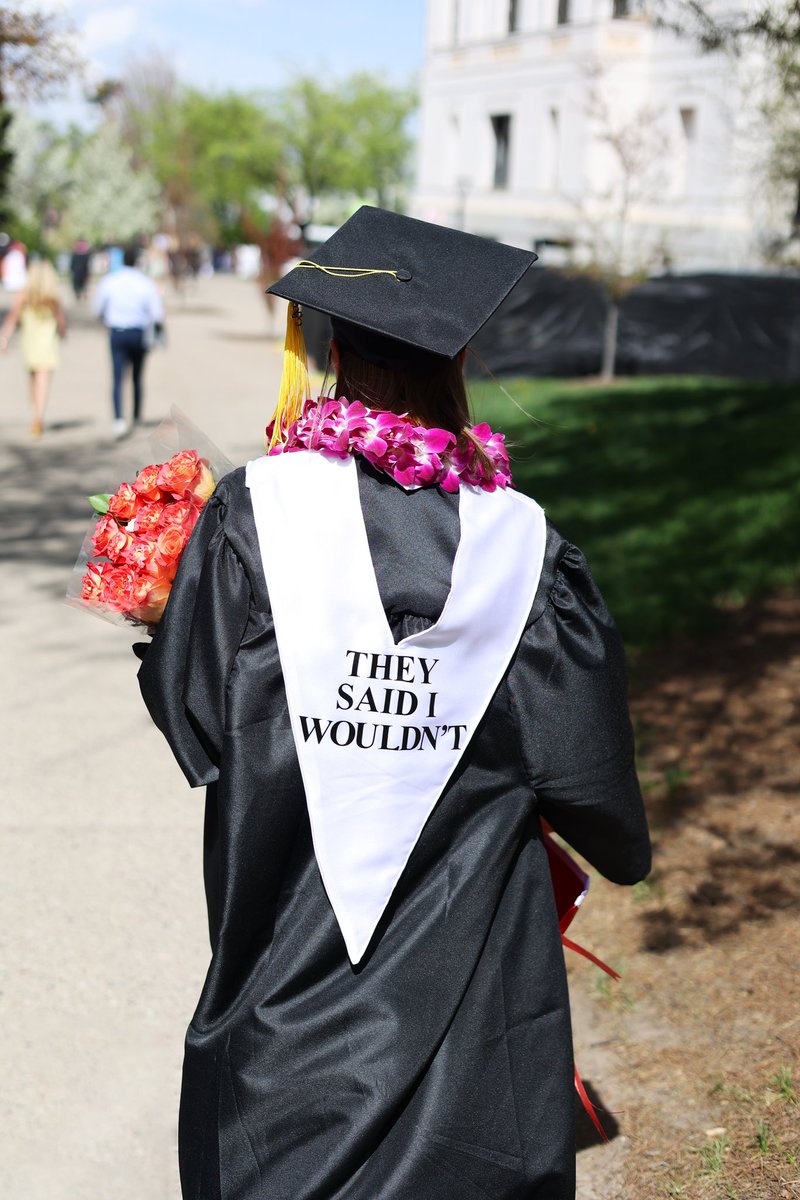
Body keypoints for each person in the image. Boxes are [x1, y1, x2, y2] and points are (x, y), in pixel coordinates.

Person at [135, 207, 651, 1199]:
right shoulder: (523, 552)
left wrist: (169, 613)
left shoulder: (252, 518)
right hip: (472, 1065)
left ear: (331, 349)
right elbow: (601, 814)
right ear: (457, 356)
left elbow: (198, 731)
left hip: (280, 1044)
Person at [92, 244, 165, 437]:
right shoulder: (146, 283)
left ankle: (118, 420)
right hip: (138, 333)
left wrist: (105, 319)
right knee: (137, 377)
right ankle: (137, 416)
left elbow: (98, 308)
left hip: (117, 332)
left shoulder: (110, 281)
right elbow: (157, 313)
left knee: (117, 377)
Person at [0, 259, 67, 436]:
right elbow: (61, 322)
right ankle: (38, 416)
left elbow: (13, 319)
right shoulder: (52, 299)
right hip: (47, 345)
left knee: (33, 380)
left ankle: (36, 414)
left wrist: (4, 338)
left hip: (30, 344)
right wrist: (62, 333)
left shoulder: (23, 296)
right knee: (43, 381)